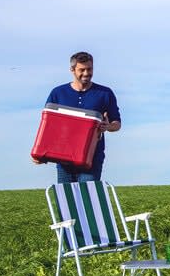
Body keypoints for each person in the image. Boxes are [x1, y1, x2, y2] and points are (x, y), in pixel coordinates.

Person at [37, 51, 121, 183]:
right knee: (66, 195)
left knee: (87, 194)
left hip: (92, 159)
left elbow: (117, 124)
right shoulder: (58, 93)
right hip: (63, 159)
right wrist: (41, 155)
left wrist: (108, 126)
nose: (86, 73)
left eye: (89, 69)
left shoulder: (105, 93)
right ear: (72, 70)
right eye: (82, 70)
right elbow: (48, 127)